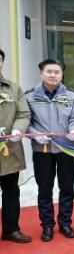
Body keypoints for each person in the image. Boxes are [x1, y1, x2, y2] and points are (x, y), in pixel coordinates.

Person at [26, 59, 74, 241]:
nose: (53, 75)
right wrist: (34, 134)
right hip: (42, 149)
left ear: (62, 74)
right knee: (44, 189)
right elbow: (24, 120)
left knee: (67, 187)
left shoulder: (72, 95)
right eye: (49, 71)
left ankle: (65, 223)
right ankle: (47, 225)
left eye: (57, 72)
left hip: (67, 148)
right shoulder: (29, 96)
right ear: (41, 73)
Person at [0, 48, 32, 243]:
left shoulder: (13, 88)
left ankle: (11, 229)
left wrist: (18, 130)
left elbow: (23, 113)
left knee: (11, 190)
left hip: (8, 149)